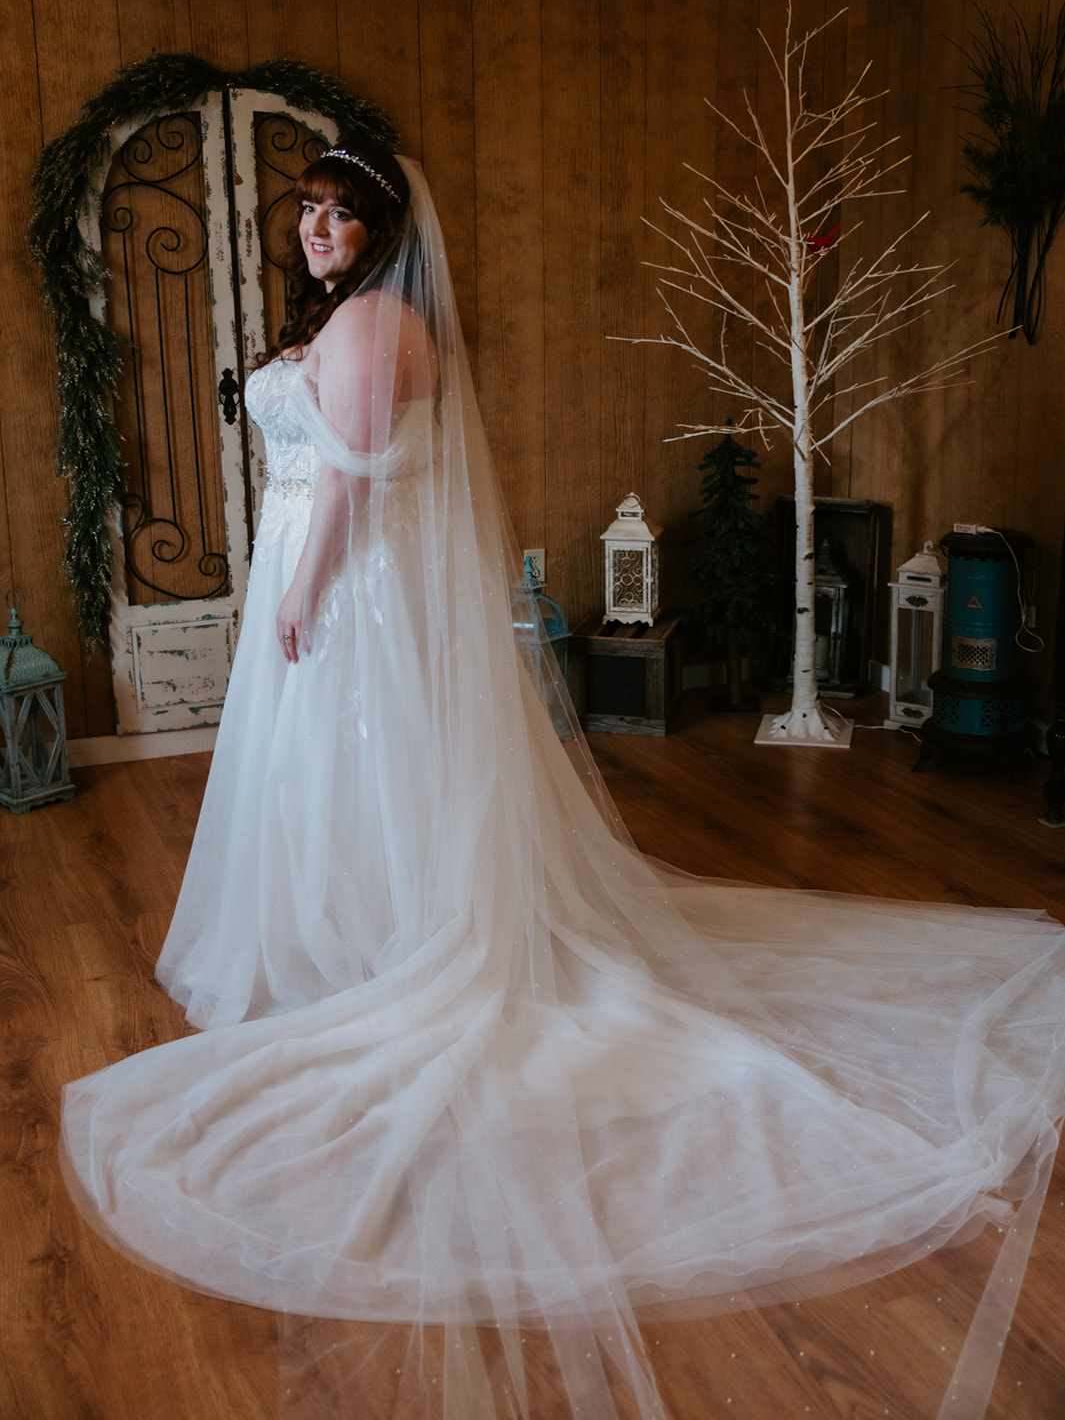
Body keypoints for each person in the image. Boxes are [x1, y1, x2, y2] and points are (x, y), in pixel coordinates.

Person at [61, 146, 1065, 1420]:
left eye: (338, 211)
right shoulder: (358, 315)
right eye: (307, 210)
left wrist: (301, 597)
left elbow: (357, 495)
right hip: (331, 588)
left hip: (346, 595)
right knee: (338, 779)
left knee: (355, 770)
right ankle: (356, 922)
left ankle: (372, 938)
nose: (316, 228)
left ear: (380, 230)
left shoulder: (375, 324)